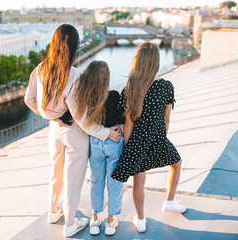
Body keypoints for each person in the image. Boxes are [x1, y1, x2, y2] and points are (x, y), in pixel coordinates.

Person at [24, 24, 121, 237]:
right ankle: (69, 224)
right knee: (73, 181)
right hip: (73, 133)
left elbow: (29, 100)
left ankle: (52, 211)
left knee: (55, 173)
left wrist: (50, 115)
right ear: (75, 47)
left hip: (54, 130)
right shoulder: (73, 75)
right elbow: (82, 119)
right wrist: (106, 133)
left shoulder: (40, 69)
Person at [111, 42, 186, 233]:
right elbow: (166, 118)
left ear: (137, 61)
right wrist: (162, 139)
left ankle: (141, 219)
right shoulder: (166, 86)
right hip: (158, 137)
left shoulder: (131, 87)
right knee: (176, 163)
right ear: (156, 63)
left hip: (137, 141)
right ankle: (169, 201)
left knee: (139, 181)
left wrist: (129, 147)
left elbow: (128, 123)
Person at [60, 60, 124, 236]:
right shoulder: (113, 96)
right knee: (114, 183)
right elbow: (122, 119)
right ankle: (110, 222)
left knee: (96, 182)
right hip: (113, 141)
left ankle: (95, 220)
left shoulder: (83, 99)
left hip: (94, 143)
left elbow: (66, 118)